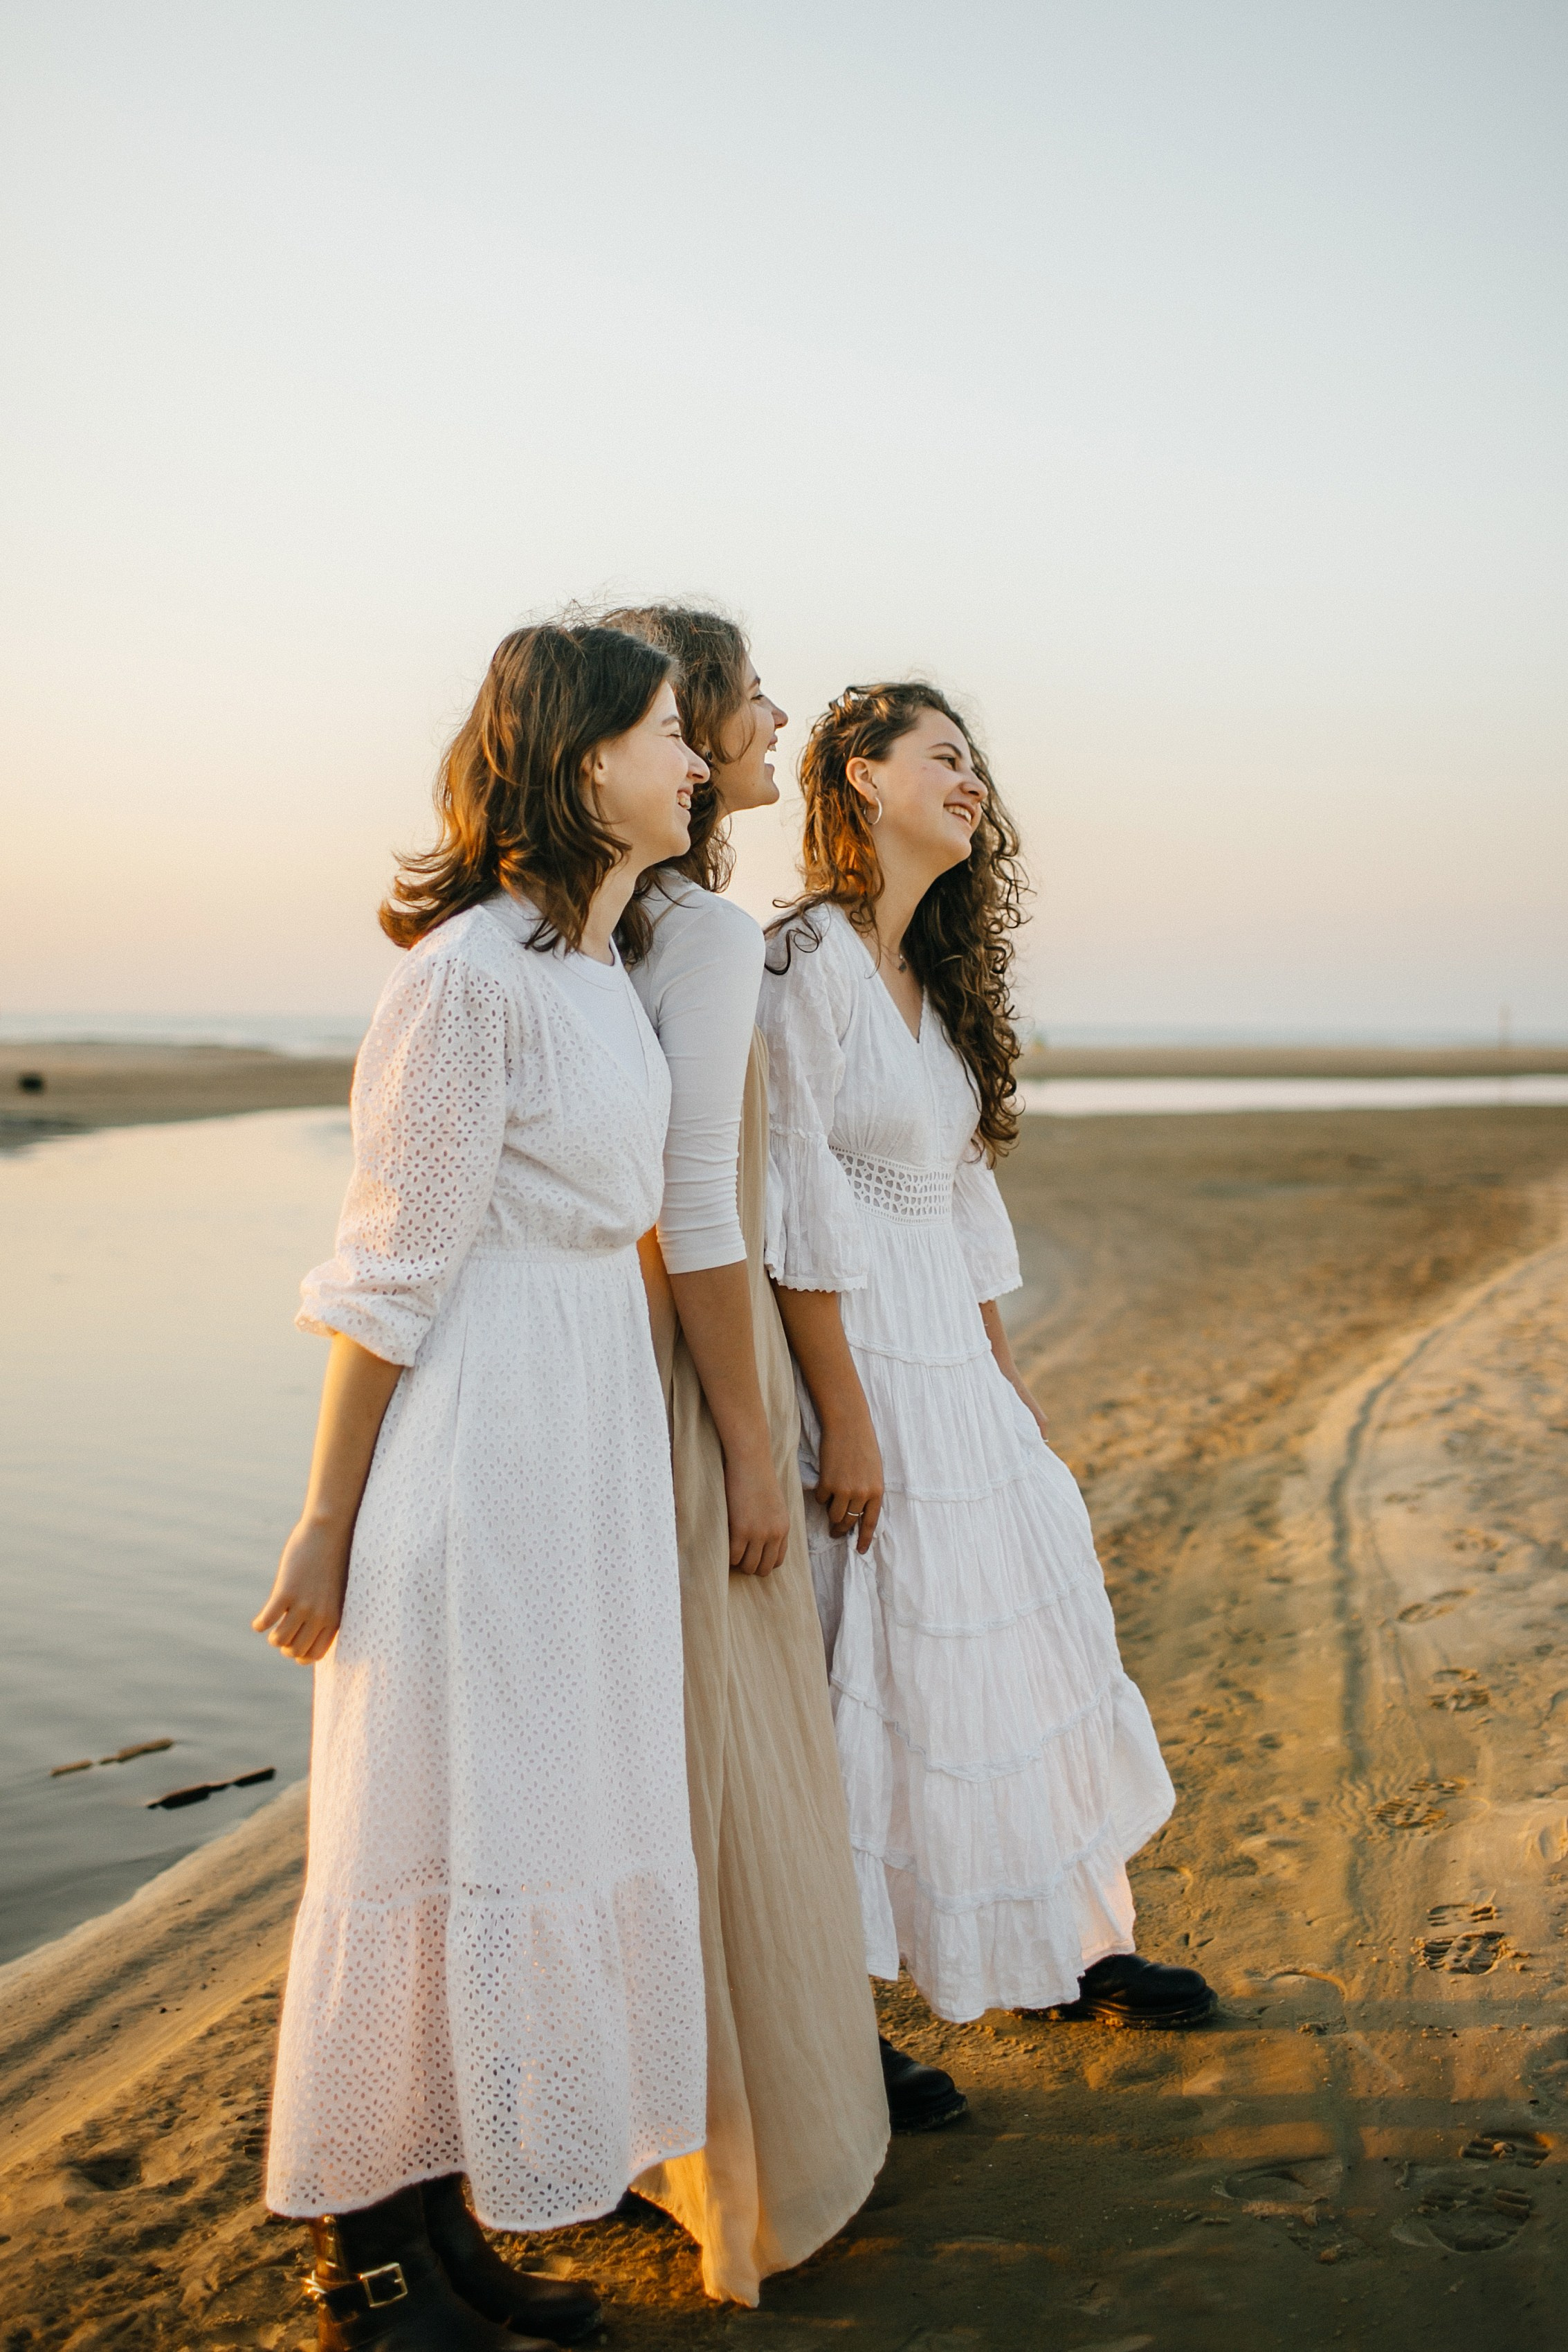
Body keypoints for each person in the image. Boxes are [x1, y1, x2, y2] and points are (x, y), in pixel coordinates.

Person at [252, 622, 710, 2352]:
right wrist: (324, 1518)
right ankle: (359, 2261)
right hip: (481, 1443)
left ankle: (449, 2225)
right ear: (583, 756)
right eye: (669, 731)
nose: (691, 760)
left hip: (580, 1430)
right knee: (426, 1831)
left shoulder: (591, 972)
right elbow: (383, 1271)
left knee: (526, 1820)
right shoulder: (464, 978)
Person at [757, 681, 1215, 2034]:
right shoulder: (798, 963)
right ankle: (833, 2030)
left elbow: (958, 1203)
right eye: (942, 758)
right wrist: (843, 1418)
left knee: (1010, 1650)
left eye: (975, 765)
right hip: (854, 1362)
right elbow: (785, 1210)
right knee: (863, 1682)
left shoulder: (933, 980)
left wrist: (1003, 1385)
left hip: (951, 1367)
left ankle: (1065, 1949)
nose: (971, 783)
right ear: (856, 776)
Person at [597, 604, 892, 2308]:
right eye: (751, 694)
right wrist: (756, 1438)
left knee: (662, 1743)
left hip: (618, 1371)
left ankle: (656, 2133)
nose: (772, 717)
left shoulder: (613, 924)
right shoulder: (700, 935)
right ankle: (755, 2149)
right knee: (732, 1744)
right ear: (698, 726)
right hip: (701, 1375)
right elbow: (693, 1202)